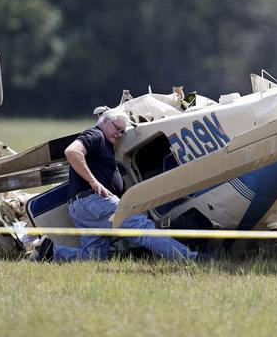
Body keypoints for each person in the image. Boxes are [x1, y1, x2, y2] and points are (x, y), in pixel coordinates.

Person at [29, 109, 198, 262]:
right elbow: (72, 152)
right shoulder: (95, 135)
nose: (119, 134)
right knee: (143, 229)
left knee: (94, 259)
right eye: (117, 128)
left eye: (122, 132)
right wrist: (94, 182)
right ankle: (190, 259)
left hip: (84, 208)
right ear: (104, 121)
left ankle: (50, 251)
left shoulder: (105, 144)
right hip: (94, 203)